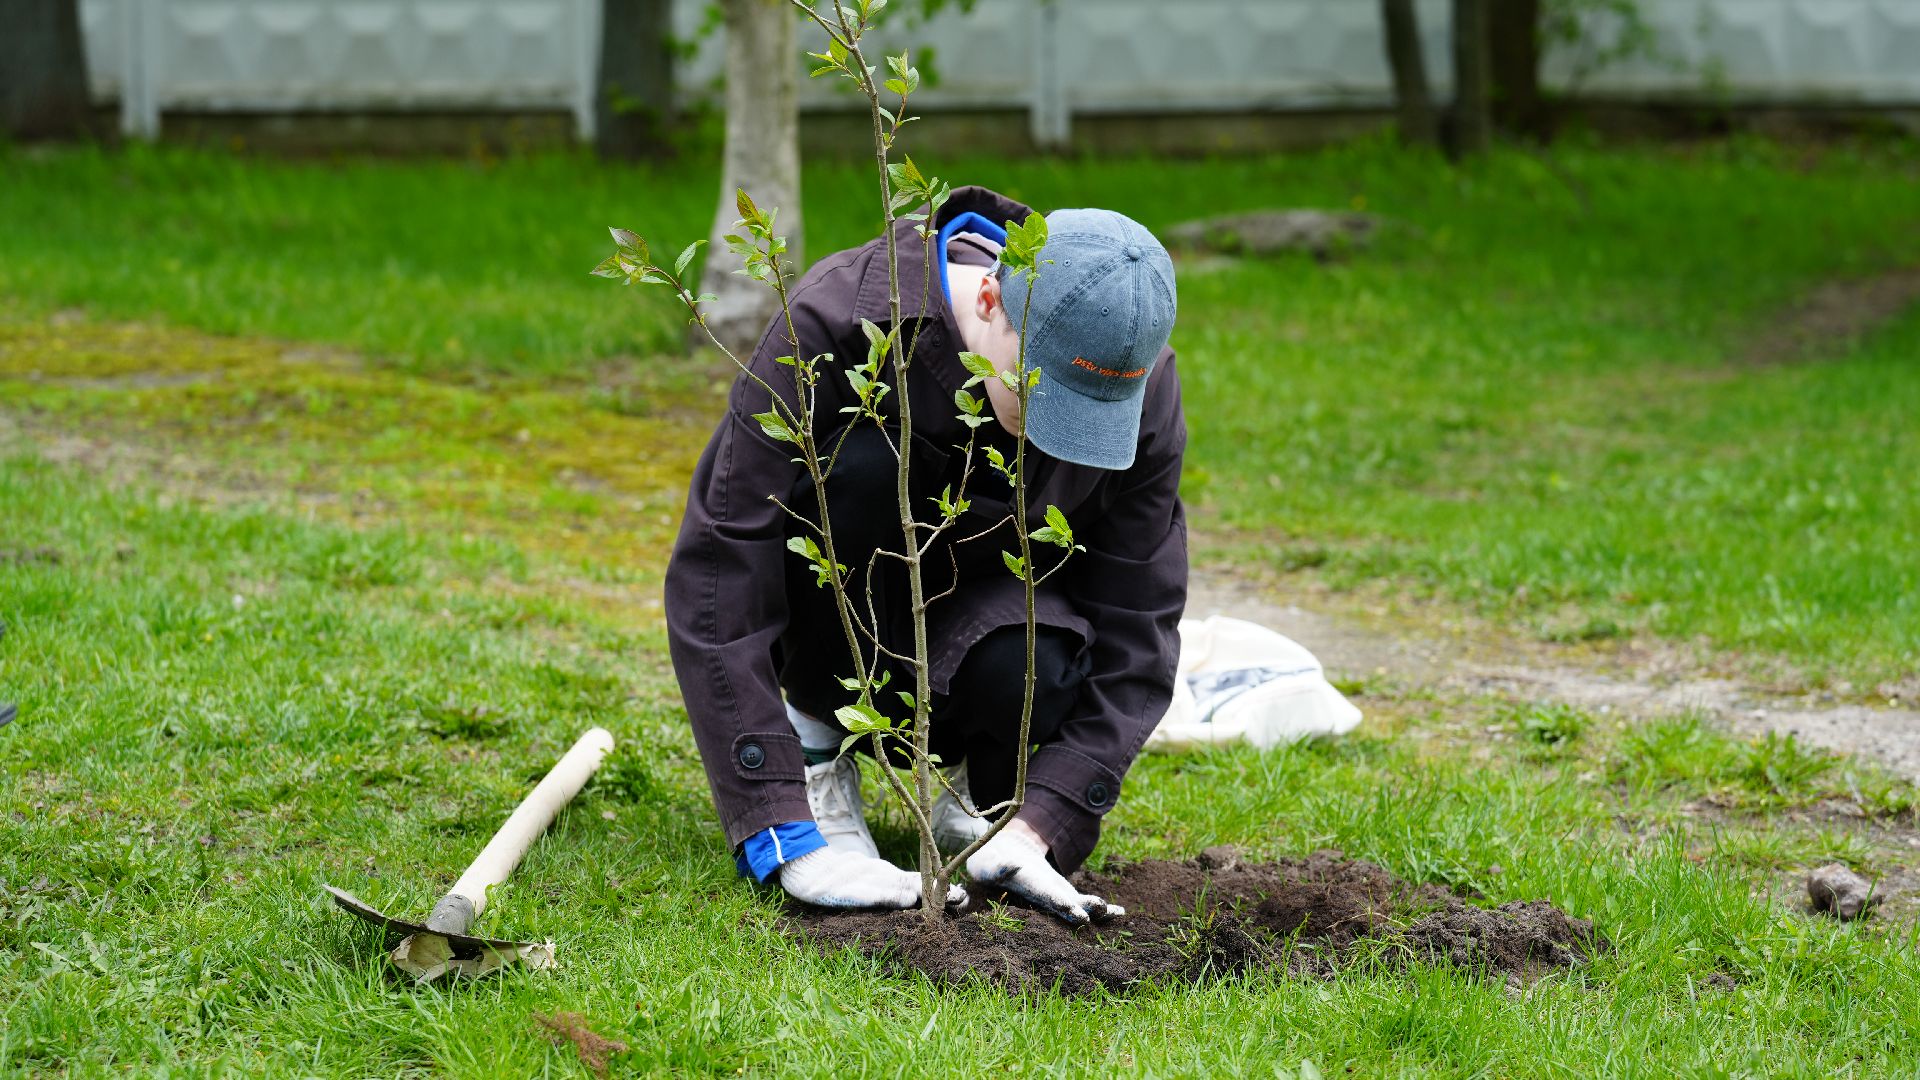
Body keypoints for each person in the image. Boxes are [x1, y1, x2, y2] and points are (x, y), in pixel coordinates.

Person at [663, 185, 1185, 925]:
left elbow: (1139, 619)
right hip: (833, 615)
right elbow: (721, 560)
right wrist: (778, 825)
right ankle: (813, 743)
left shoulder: (1137, 379)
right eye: (1043, 398)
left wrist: (1045, 821)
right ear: (990, 301)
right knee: (864, 460)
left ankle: (986, 798)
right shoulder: (835, 326)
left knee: (1040, 656)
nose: (1055, 438)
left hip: (981, 629)